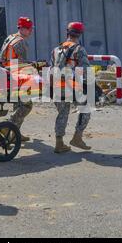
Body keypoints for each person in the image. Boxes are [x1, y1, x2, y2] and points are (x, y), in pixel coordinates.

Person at [51, 22, 92, 153]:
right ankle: (77, 138)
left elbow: (51, 68)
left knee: (62, 113)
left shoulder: (56, 50)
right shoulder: (79, 49)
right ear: (80, 34)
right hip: (71, 86)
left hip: (56, 86)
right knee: (85, 108)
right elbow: (85, 70)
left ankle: (59, 143)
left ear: (67, 32)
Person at [0, 17, 34, 141]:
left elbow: (1, 57)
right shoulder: (21, 42)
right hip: (15, 76)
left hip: (5, 74)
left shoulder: (10, 38)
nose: (31, 31)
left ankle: (14, 134)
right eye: (29, 29)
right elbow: (23, 65)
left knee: (17, 104)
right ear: (22, 29)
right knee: (27, 105)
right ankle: (9, 125)